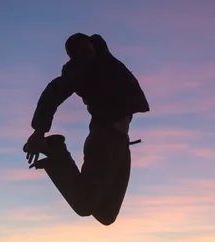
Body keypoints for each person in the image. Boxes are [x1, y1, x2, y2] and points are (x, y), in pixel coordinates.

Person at [23, 33, 150, 225]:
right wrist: (39, 130)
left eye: (87, 48)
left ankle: (57, 159)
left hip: (122, 143)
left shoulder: (107, 61)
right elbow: (53, 92)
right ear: (74, 57)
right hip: (104, 139)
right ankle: (57, 151)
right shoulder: (79, 69)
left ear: (93, 45)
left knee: (107, 215)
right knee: (84, 205)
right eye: (79, 52)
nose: (86, 53)